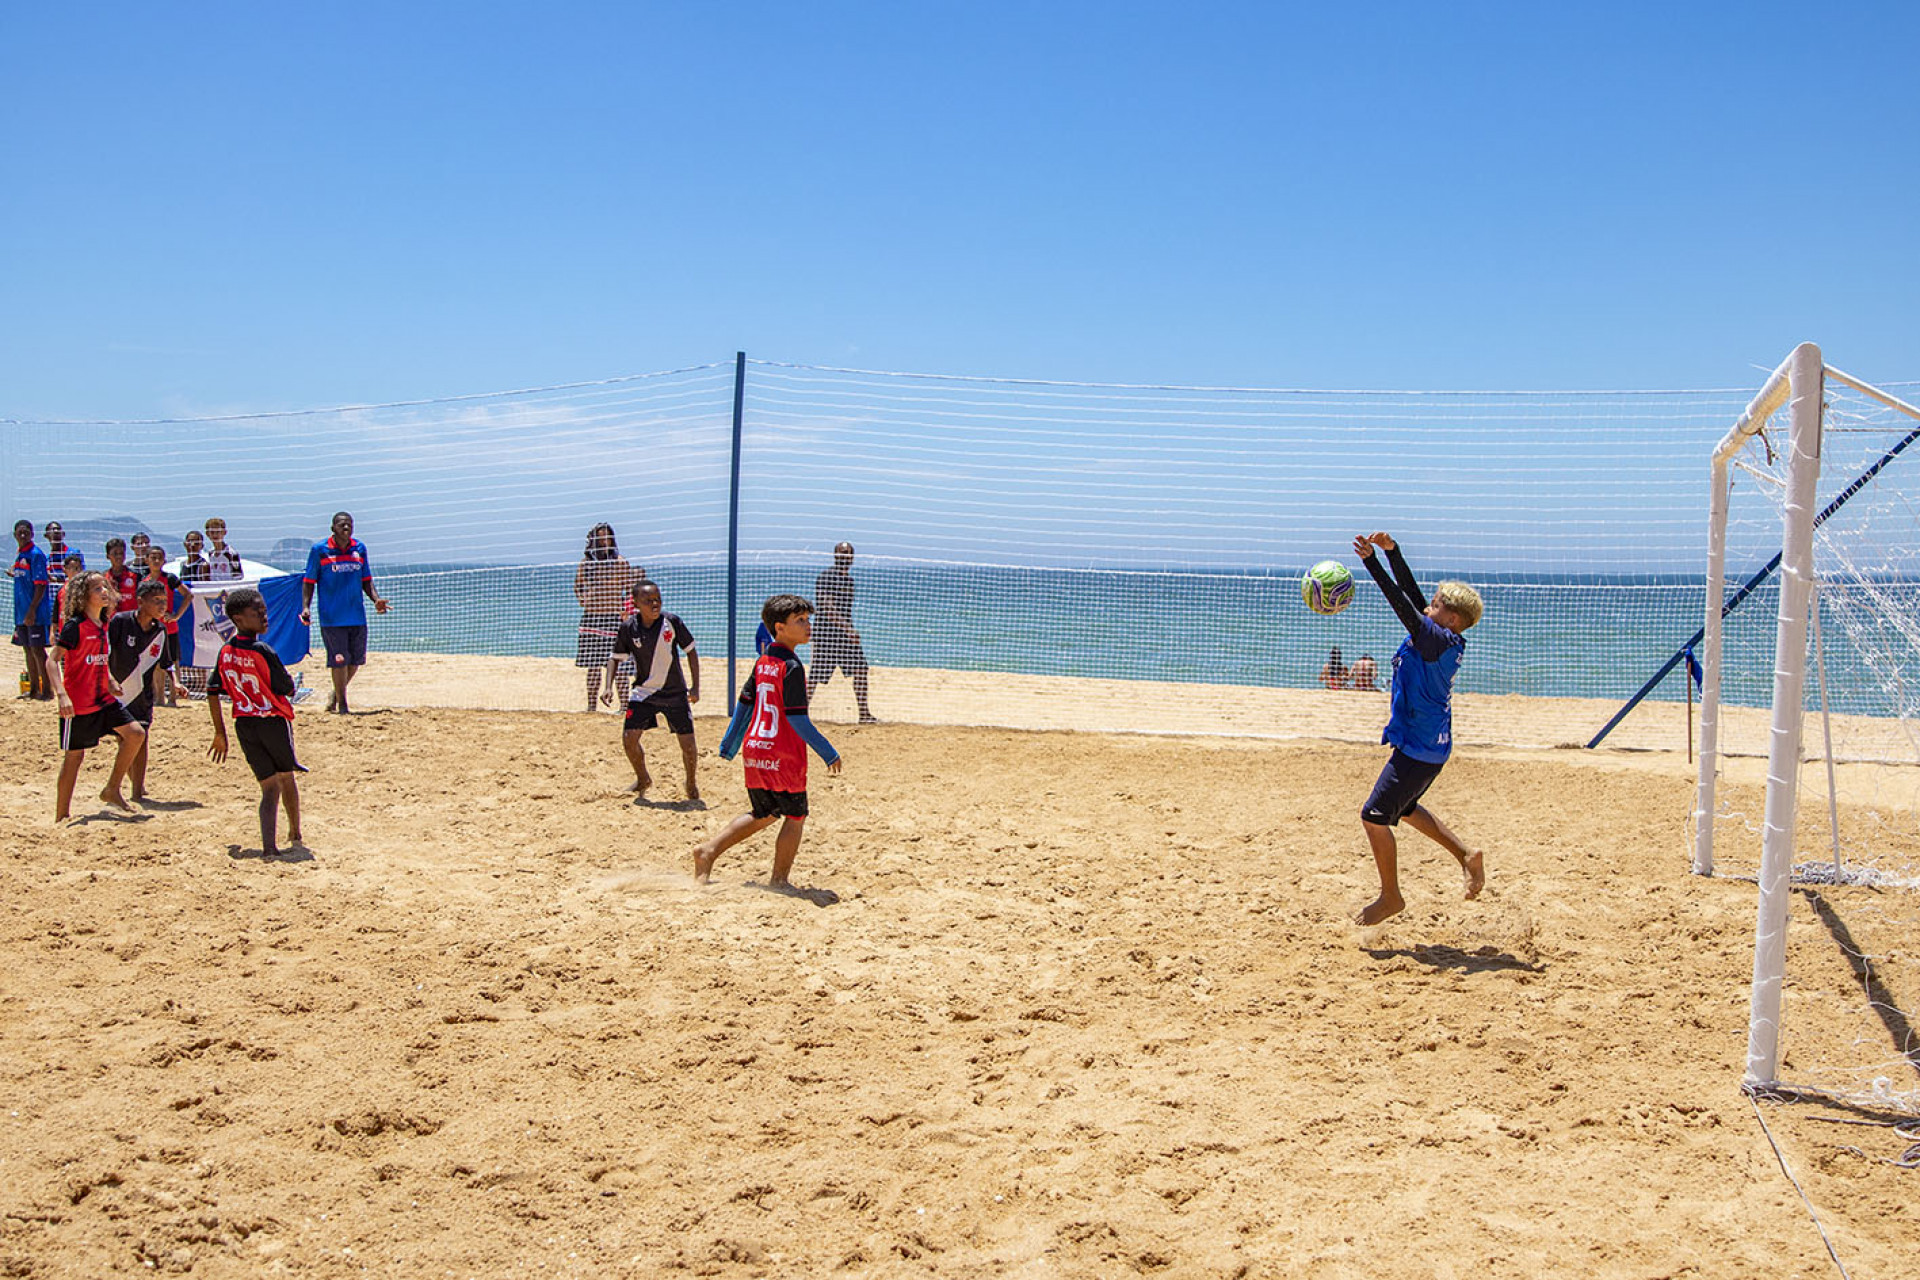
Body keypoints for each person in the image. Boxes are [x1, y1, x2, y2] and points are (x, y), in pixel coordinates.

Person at [1350, 532, 1485, 926]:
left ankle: (1390, 896)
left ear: (1452, 619)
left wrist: (1372, 563)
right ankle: (1465, 855)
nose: (1429, 605)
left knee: (1374, 817)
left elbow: (1403, 606)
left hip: (1419, 750)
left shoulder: (1434, 641)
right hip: (1428, 746)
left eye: (1438, 604)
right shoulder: (1443, 637)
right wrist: (1394, 553)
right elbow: (1413, 599)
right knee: (1404, 808)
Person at [694, 594, 843, 888]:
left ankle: (708, 851)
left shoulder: (764, 661)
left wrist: (730, 744)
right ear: (780, 627)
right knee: (796, 815)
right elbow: (798, 719)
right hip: (782, 752)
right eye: (799, 621)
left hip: (756, 748)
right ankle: (779, 880)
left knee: (766, 813)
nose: (807, 625)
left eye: (807, 619)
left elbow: (744, 704)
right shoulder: (792, 666)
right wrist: (828, 752)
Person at [207, 587, 304, 856]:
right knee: (285, 777)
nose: (264, 616)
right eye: (256, 612)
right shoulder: (263, 650)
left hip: (244, 725)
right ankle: (295, 832)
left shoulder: (225, 652)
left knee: (268, 786)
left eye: (263, 610)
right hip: (272, 721)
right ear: (238, 619)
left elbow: (212, 691)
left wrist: (219, 732)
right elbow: (285, 687)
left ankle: (269, 847)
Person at [47, 572, 145, 820]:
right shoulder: (74, 626)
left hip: (103, 699)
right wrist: (61, 695)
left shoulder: (103, 624)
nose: (104, 591)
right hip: (78, 704)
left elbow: (99, 660)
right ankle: (61, 816)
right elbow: (52, 661)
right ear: (83, 596)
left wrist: (110, 679)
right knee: (74, 757)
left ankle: (112, 788)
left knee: (135, 734)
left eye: (105, 586)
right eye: (96, 588)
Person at [602, 580, 701, 800]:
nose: (655, 604)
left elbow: (691, 652)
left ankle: (691, 783)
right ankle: (643, 778)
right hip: (644, 693)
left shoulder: (672, 622)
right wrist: (608, 686)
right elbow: (614, 659)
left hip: (675, 693)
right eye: (648, 601)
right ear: (636, 603)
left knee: (688, 745)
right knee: (629, 738)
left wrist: (695, 686)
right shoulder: (629, 627)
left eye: (658, 600)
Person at [300, 512, 390, 714]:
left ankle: (336, 693)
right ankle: (343, 705)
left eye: (350, 524)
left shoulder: (359, 548)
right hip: (331, 618)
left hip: (356, 615)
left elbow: (366, 580)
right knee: (339, 660)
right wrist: (306, 607)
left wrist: (376, 600)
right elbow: (308, 582)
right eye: (342, 525)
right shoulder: (320, 550)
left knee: (355, 661)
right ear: (333, 528)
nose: (346, 528)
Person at [109, 579, 172, 801]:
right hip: (119, 692)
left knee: (142, 738)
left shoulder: (160, 630)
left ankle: (137, 791)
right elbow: (105, 652)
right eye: (156, 601)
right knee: (124, 741)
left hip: (143, 694)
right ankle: (131, 784)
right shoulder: (120, 622)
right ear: (140, 602)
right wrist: (107, 680)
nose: (162, 605)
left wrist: (177, 684)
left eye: (163, 601)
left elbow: (164, 663)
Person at [810, 541, 877, 723]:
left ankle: (864, 714)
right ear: (835, 555)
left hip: (845, 637)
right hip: (826, 635)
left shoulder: (849, 581)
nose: (845, 557)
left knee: (861, 669)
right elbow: (826, 606)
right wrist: (848, 629)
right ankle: (799, 714)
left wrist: (848, 631)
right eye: (842, 553)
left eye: (848, 554)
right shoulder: (826, 577)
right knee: (815, 676)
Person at [573, 522, 636, 712]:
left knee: (620, 664)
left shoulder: (620, 562)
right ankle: (591, 706)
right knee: (593, 665)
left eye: (607, 538)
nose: (604, 542)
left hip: (614, 619)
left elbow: (630, 590)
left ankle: (624, 706)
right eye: (600, 538)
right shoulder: (586, 563)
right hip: (592, 617)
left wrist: (627, 611)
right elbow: (577, 586)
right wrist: (582, 598)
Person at [142, 546, 192, 707]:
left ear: (164, 560)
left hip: (169, 628)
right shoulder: (144, 581)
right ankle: (159, 698)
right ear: (146, 560)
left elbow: (188, 595)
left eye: (159, 558)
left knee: (173, 663)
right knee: (156, 664)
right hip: (152, 629)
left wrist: (177, 615)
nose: (156, 561)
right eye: (153, 557)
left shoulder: (170, 578)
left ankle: (173, 698)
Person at [10, 520, 53, 701]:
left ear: (32, 534)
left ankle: (47, 690)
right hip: (20, 612)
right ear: (14, 534)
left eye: (25, 532)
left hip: (34, 613)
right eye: (19, 533)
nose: (22, 535)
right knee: (27, 650)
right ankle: (34, 689)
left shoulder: (36, 555)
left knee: (38, 651)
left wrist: (32, 610)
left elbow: (41, 585)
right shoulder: (20, 555)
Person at [104, 538, 142, 613]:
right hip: (110, 620)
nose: (119, 556)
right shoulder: (103, 577)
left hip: (130, 620)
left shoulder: (135, 576)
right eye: (115, 553)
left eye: (121, 553)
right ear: (108, 556)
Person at [204, 517, 244, 582]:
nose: (215, 535)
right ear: (207, 534)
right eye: (212, 532)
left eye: (218, 532)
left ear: (224, 532)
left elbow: (238, 577)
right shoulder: (210, 553)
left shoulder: (231, 554)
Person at [53, 554, 86, 622]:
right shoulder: (61, 590)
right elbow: (56, 615)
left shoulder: (85, 589)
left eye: (80, 568)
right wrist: (52, 631)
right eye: (75, 568)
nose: (78, 571)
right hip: (64, 628)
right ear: (65, 569)